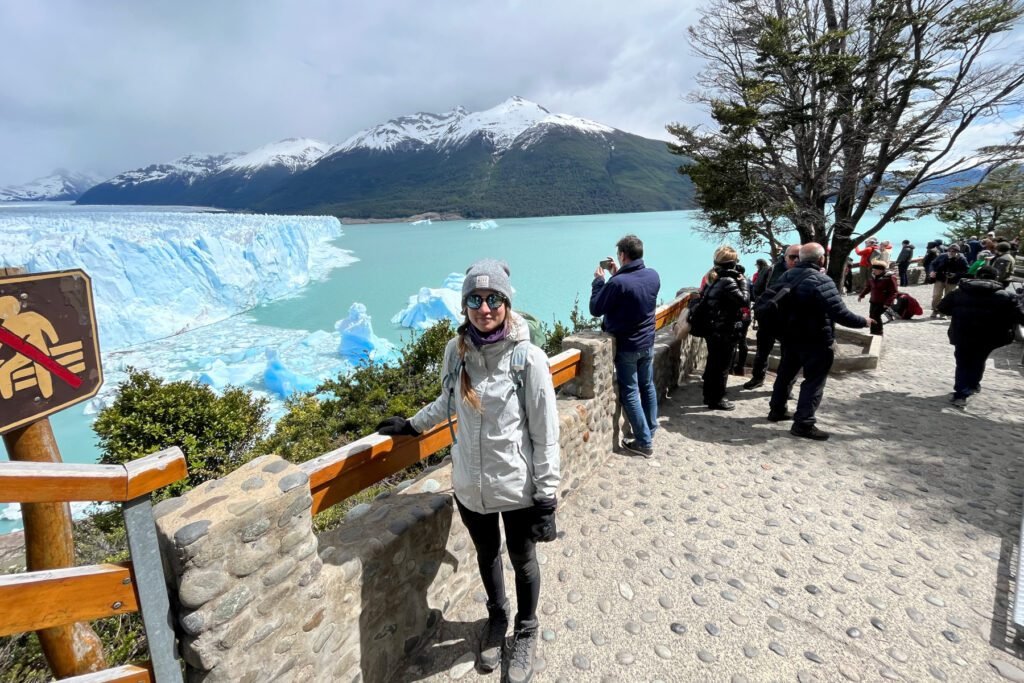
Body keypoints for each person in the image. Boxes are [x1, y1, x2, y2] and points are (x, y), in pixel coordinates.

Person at [376, 259, 560, 681]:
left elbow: (546, 434)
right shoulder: (455, 352)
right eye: (475, 299)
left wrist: (547, 496)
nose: (484, 307)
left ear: (507, 303)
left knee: (522, 558)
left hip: (516, 486)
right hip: (469, 486)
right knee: (486, 554)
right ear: (465, 306)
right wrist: (412, 426)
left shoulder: (527, 359)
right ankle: (498, 619)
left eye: (494, 298)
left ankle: (526, 630)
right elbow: (447, 403)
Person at [768, 243, 871, 440]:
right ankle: (803, 424)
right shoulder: (822, 281)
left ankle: (777, 410)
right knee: (813, 382)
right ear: (821, 259)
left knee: (785, 374)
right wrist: (863, 322)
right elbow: (840, 314)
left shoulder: (786, 276)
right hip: (815, 340)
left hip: (789, 337)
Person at [590, 234, 661, 457]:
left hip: (627, 346)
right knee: (647, 386)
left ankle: (644, 443)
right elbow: (633, 292)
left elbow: (595, 308)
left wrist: (599, 282)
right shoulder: (653, 275)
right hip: (647, 342)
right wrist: (616, 272)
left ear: (622, 255)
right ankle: (650, 428)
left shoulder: (618, 283)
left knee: (630, 392)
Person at [936, 266, 1024, 407]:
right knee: (979, 359)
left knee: (963, 362)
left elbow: (942, 308)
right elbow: (1019, 316)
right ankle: (973, 385)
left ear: (977, 276)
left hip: (962, 332)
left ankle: (961, 393)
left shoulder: (959, 292)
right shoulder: (1006, 296)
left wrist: (960, 312)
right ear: (995, 278)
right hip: (990, 336)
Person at [697, 246, 749, 409]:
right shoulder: (729, 281)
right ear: (733, 263)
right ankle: (717, 399)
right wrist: (743, 282)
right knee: (722, 367)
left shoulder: (714, 278)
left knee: (713, 363)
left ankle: (709, 396)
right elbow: (744, 301)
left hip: (713, 329)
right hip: (724, 330)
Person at [744, 244, 801, 389]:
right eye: (793, 256)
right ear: (785, 256)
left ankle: (784, 387)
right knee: (762, 352)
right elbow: (756, 289)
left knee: (789, 357)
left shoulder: (806, 272)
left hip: (792, 322)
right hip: (769, 319)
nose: (796, 260)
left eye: (799, 257)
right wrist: (763, 306)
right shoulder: (771, 269)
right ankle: (757, 378)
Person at [929, 244, 969, 317]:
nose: (951, 252)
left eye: (953, 251)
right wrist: (932, 271)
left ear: (957, 252)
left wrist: (956, 274)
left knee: (948, 297)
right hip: (940, 278)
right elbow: (933, 264)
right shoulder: (942, 256)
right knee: (936, 295)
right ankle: (935, 310)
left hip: (952, 281)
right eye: (949, 250)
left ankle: (944, 313)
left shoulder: (962, 259)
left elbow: (966, 270)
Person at [859, 261, 899, 335]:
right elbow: (868, 287)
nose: (873, 271)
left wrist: (888, 303)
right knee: (872, 316)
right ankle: (873, 332)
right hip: (873, 300)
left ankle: (879, 332)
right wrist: (862, 295)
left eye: (874, 270)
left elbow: (894, 292)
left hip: (883, 301)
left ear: (880, 270)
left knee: (876, 315)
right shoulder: (873, 277)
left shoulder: (890, 277)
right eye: (873, 269)